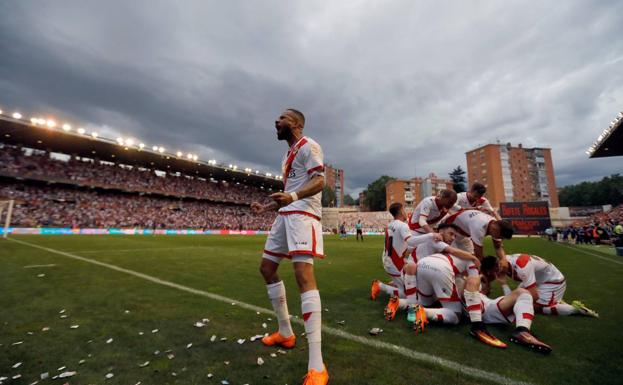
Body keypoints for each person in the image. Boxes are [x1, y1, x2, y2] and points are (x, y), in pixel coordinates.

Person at [250, 109, 328, 384]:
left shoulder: (310, 146)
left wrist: (293, 195)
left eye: (281, 118)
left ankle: (317, 365)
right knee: (267, 268)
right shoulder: (286, 156)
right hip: (285, 215)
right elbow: (288, 193)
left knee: (303, 274)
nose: (276, 121)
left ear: (295, 123)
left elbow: (320, 181)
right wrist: (267, 206)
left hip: (304, 214)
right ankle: (286, 332)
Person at [481, 254, 599, 317]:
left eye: (492, 272)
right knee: (516, 298)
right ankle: (553, 300)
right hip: (537, 279)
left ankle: (576, 309)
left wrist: (504, 285)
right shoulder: (504, 261)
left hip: (553, 282)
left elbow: (534, 296)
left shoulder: (522, 268)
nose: (493, 275)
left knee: (533, 307)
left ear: (497, 267)